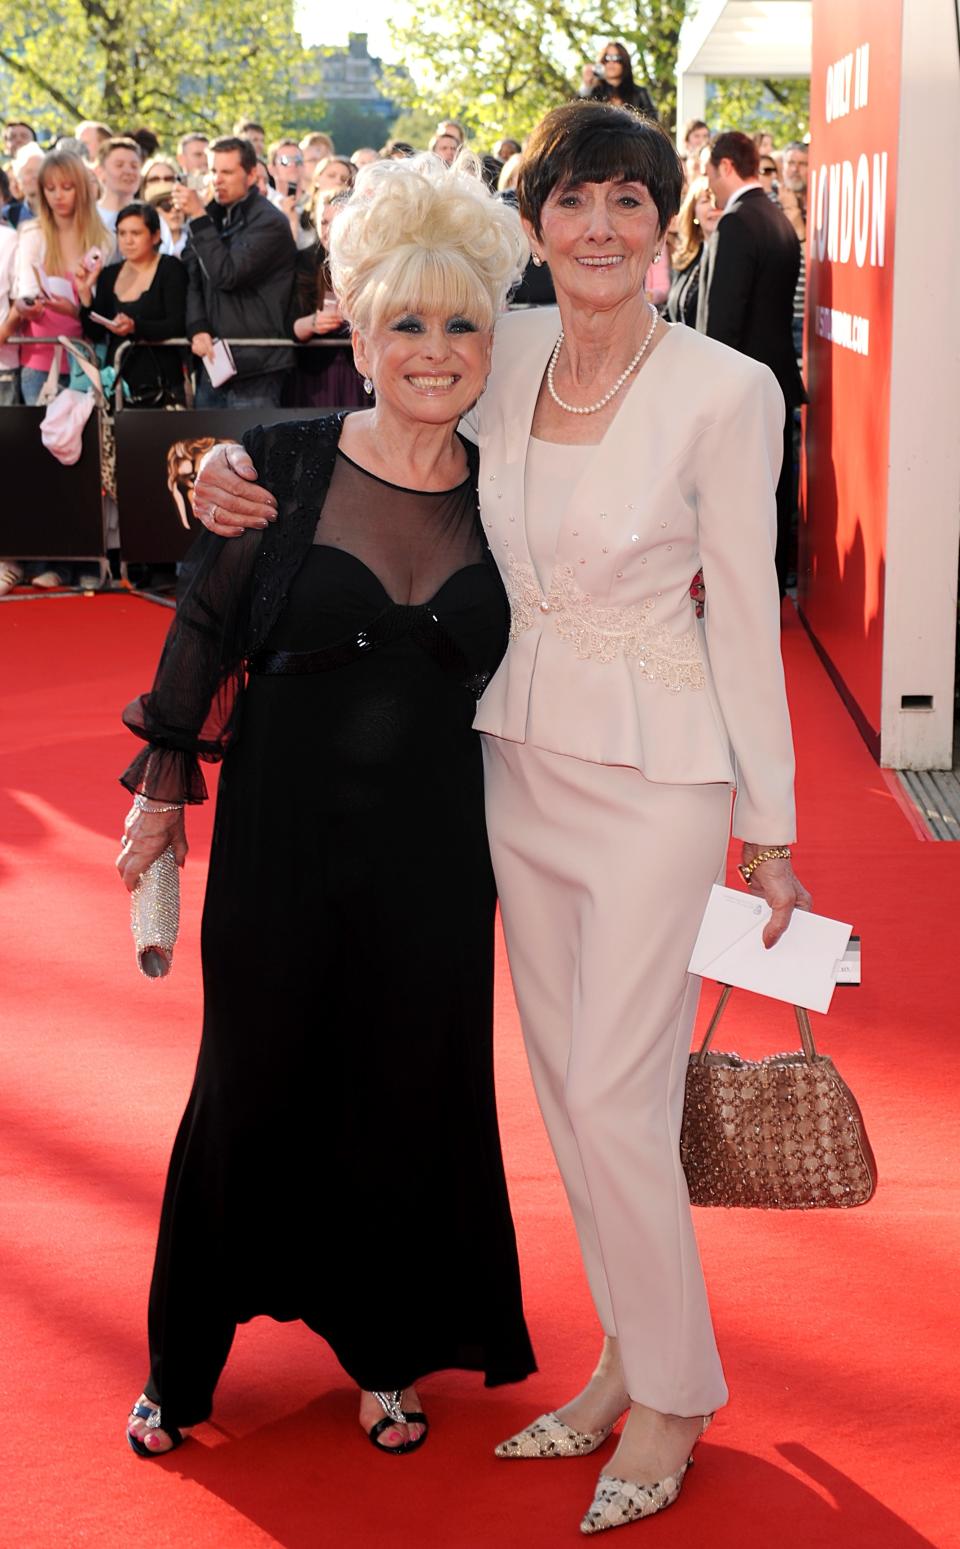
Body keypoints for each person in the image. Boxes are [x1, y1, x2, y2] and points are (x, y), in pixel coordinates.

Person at [195, 101, 811, 1535]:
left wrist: (769, 824)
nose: (600, 229)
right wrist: (219, 464)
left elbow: (745, 624)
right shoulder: (505, 342)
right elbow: (371, 408)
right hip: (512, 762)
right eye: (573, 202)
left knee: (614, 1093)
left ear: (671, 226)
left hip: (660, 776)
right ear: (534, 221)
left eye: (630, 205)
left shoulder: (726, 393)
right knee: (565, 1096)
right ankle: (621, 1356)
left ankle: (678, 1390)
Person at [116, 151, 535, 1462]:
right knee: (251, 1079)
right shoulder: (276, 465)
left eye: (460, 322)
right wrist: (162, 792)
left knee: (411, 1081)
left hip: (437, 851)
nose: (433, 348)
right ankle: (181, 1366)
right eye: (404, 320)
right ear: (354, 327)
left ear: (491, 341)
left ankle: (387, 1353)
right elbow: (203, 625)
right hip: (283, 844)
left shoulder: (513, 494)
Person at [697, 130, 806, 593]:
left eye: (708, 173)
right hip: (778, 380)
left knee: (742, 496)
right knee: (775, 491)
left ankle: (744, 590)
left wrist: (704, 390)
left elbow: (723, 319)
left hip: (741, 388)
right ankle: (772, 584)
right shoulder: (779, 218)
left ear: (725, 166)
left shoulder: (738, 223)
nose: (708, 187)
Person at [175, 135, 296, 408]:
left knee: (249, 451)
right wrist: (198, 327)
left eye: (227, 172)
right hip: (214, 363)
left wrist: (197, 217)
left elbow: (227, 274)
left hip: (257, 369)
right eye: (214, 171)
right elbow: (192, 272)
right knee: (205, 450)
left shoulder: (270, 222)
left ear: (252, 174)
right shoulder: (212, 216)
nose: (217, 179)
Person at [77, 201, 187, 405]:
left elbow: (178, 324)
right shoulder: (109, 274)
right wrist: (85, 296)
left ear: (154, 236)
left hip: (162, 385)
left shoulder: (170, 268)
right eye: (121, 233)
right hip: (118, 385)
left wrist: (135, 326)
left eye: (136, 233)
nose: (128, 241)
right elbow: (95, 333)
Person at [289, 189, 365, 408]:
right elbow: (288, 326)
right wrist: (313, 323)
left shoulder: (371, 264)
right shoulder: (304, 262)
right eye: (323, 222)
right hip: (314, 374)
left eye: (337, 222)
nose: (328, 230)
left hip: (358, 374)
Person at [664, 175, 720, 327]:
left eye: (717, 199)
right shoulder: (687, 257)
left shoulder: (733, 259)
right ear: (693, 212)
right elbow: (670, 312)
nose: (713, 206)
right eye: (705, 200)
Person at [579, 41, 656, 118]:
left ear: (624, 61)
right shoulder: (592, 93)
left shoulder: (640, 93)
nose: (611, 62)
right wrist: (587, 86)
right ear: (601, 62)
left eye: (616, 58)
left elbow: (653, 123)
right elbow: (578, 119)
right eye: (607, 58)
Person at [96, 136, 143, 234]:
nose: (128, 171)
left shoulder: (151, 218)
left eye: (134, 166)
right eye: (119, 165)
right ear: (100, 172)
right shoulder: (86, 217)